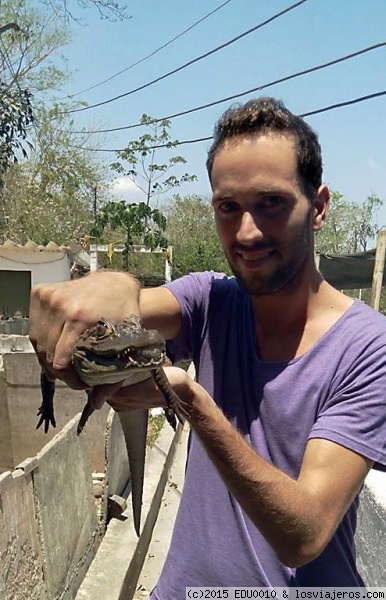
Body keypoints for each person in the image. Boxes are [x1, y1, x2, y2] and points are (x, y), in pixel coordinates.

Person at [29, 97, 386, 595]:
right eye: (228, 207)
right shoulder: (211, 300)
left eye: (272, 203)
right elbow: (129, 300)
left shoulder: (370, 347)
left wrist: (193, 402)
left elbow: (303, 535)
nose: (246, 231)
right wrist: (106, 290)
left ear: (319, 207)